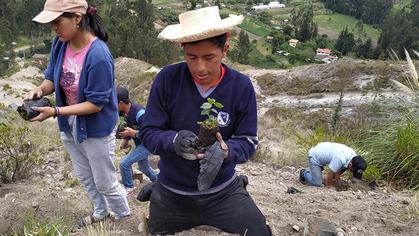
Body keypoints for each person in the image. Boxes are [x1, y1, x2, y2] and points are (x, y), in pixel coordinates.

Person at [138, 6, 271, 236]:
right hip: (173, 191)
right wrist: (173, 140)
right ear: (183, 51)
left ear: (225, 50)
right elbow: (148, 132)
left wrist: (227, 151)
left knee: (260, 232)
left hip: (222, 191)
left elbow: (248, 141)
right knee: (154, 231)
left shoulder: (241, 87)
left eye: (209, 57)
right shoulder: (167, 80)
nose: (200, 67)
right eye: (192, 57)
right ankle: (156, 191)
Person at [26, 0, 130, 228]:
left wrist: (55, 111)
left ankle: (124, 218)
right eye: (51, 22)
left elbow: (96, 104)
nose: (53, 27)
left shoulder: (99, 55)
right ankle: (101, 212)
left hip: (95, 126)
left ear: (77, 18)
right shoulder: (60, 43)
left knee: (104, 181)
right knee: (84, 175)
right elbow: (52, 78)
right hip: (69, 122)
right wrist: (40, 90)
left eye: (57, 21)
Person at [116, 86, 158, 194]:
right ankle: (159, 181)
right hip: (140, 143)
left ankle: (129, 187)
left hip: (148, 144)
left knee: (124, 163)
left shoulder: (140, 113)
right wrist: (125, 139)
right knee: (143, 167)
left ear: (120, 103)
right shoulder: (124, 113)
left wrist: (134, 133)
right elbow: (127, 127)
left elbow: (151, 132)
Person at [300, 142, 367, 187]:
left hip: (324, 147)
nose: (351, 172)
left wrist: (337, 178)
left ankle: (321, 174)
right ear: (350, 164)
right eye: (352, 170)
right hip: (315, 156)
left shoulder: (353, 157)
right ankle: (304, 173)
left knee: (338, 172)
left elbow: (341, 166)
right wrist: (329, 187)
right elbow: (330, 173)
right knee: (317, 183)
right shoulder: (341, 158)